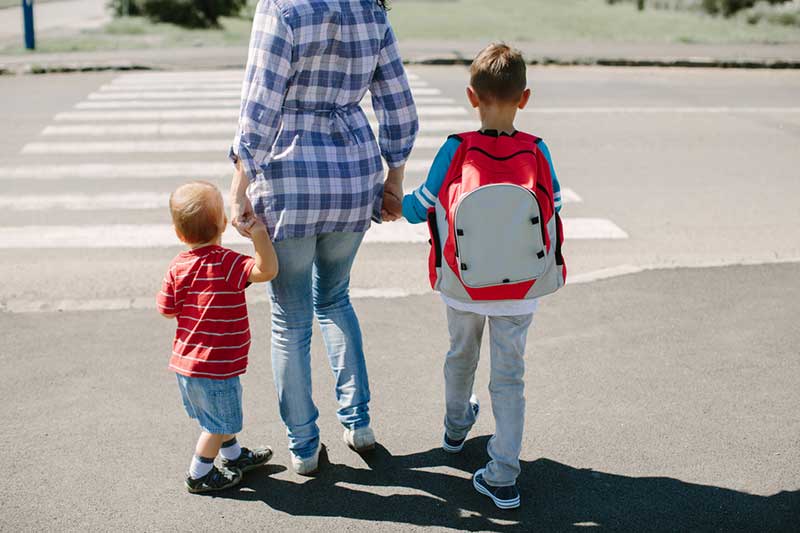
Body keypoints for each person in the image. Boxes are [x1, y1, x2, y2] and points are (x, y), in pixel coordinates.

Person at [228, 0, 418, 475]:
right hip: (353, 176)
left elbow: (261, 100)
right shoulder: (371, 11)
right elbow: (396, 101)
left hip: (290, 176)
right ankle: (358, 423)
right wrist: (394, 176)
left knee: (289, 321)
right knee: (334, 299)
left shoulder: (282, 7)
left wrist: (239, 186)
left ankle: (304, 445)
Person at [401, 43, 563, 510]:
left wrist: (393, 206)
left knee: (460, 355)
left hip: (463, 283)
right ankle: (504, 474)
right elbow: (552, 211)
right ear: (524, 97)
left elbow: (423, 205)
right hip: (520, 291)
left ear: (472, 97)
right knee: (509, 379)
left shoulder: (457, 148)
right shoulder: (537, 150)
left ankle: (455, 430)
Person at [157, 181, 279, 493]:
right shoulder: (228, 262)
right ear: (223, 224)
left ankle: (234, 456)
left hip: (187, 365)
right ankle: (199, 475)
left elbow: (166, 309)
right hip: (216, 367)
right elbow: (266, 271)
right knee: (217, 425)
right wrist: (260, 235)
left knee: (218, 417)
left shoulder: (178, 266)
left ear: (178, 233)